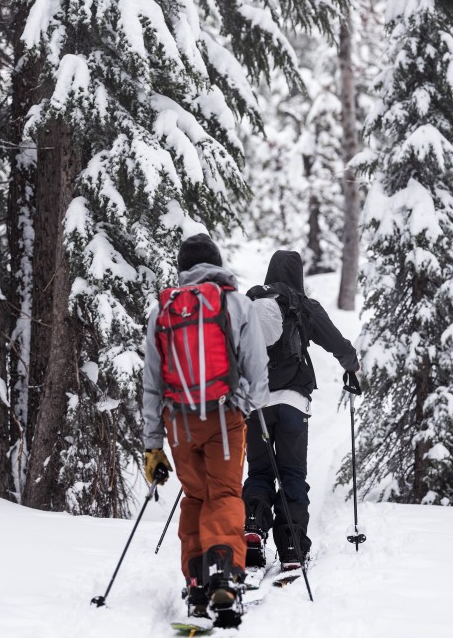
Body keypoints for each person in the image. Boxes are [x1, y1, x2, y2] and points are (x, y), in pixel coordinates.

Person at [142, 233, 271, 625]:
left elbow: (151, 381)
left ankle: (196, 581)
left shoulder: (163, 310)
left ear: (183, 270)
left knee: (196, 497)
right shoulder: (235, 303)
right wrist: (252, 404)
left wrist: (152, 444)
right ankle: (224, 576)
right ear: (217, 264)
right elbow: (257, 366)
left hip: (178, 423)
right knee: (225, 493)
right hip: (223, 416)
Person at [242, 250, 361, 571]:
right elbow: (338, 344)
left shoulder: (250, 303)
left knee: (260, 471)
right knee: (292, 472)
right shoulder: (302, 305)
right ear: (298, 276)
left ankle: (253, 523)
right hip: (293, 402)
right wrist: (352, 367)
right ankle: (292, 542)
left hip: (256, 403)